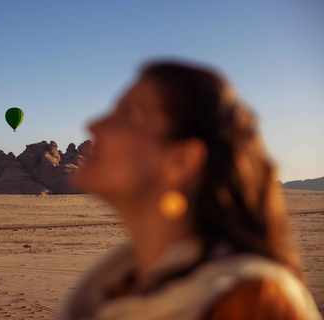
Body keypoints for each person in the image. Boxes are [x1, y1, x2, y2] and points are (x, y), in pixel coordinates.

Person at [59, 61, 321, 320]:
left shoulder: (252, 300)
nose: (94, 125)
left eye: (127, 114)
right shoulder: (112, 285)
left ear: (181, 160)